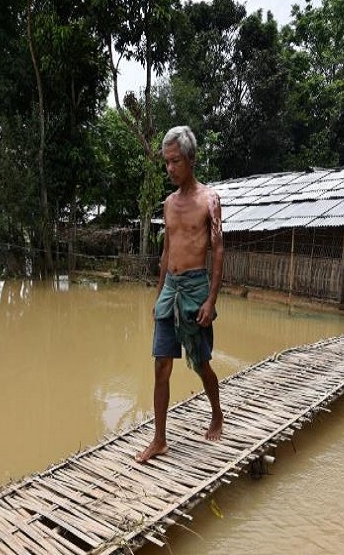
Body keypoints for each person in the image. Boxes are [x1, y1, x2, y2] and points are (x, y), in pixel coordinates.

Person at [135, 125, 225, 464]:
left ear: (189, 159)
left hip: (195, 289)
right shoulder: (169, 204)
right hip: (170, 289)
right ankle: (159, 439)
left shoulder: (210, 200)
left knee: (201, 364)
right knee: (161, 365)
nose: (169, 168)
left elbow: (218, 251)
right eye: (166, 163)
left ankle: (217, 413)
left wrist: (211, 300)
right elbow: (166, 252)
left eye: (175, 161)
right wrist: (159, 296)